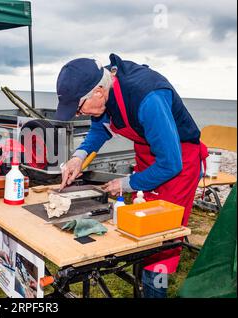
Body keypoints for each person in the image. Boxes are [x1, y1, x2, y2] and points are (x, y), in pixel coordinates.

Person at [56, 54, 208, 298]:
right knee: (140, 232)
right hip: (149, 158)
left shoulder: (148, 98)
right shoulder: (104, 88)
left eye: (78, 107)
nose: (77, 114)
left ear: (97, 92)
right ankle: (141, 284)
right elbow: (100, 128)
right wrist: (78, 156)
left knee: (161, 242)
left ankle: (154, 292)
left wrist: (126, 183)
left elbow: (170, 164)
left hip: (178, 163)